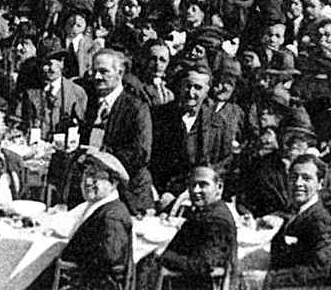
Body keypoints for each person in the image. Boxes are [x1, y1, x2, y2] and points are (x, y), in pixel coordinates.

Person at [78, 49, 154, 214]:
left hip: (129, 194)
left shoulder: (136, 107)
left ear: (120, 73)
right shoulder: (91, 105)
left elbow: (141, 153)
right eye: (94, 72)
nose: (97, 77)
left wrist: (101, 155)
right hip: (96, 191)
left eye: (103, 72)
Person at [151, 64, 235, 208]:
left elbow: (225, 162)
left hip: (199, 194)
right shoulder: (160, 118)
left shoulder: (219, 124)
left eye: (198, 88)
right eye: (187, 86)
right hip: (162, 193)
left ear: (207, 91)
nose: (191, 92)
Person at [58, 151, 134, 290]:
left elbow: (110, 267)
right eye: (86, 174)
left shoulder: (112, 217)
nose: (87, 181)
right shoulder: (97, 206)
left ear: (113, 183)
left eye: (95, 177)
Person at [156, 166, 237, 290]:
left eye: (203, 185)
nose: (195, 190)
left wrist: (165, 257)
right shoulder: (204, 212)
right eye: (192, 185)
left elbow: (203, 264)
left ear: (219, 187)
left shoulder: (217, 221)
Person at [265, 154, 331, 289]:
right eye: (294, 178)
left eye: (307, 178)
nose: (298, 183)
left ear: (320, 184)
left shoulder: (320, 220)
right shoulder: (296, 211)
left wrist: (269, 279)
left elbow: (318, 270)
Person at [16, 48, 88, 140]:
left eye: (49, 64)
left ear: (61, 63)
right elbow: (21, 121)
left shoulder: (76, 92)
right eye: (43, 65)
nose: (46, 69)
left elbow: (82, 126)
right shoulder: (31, 93)